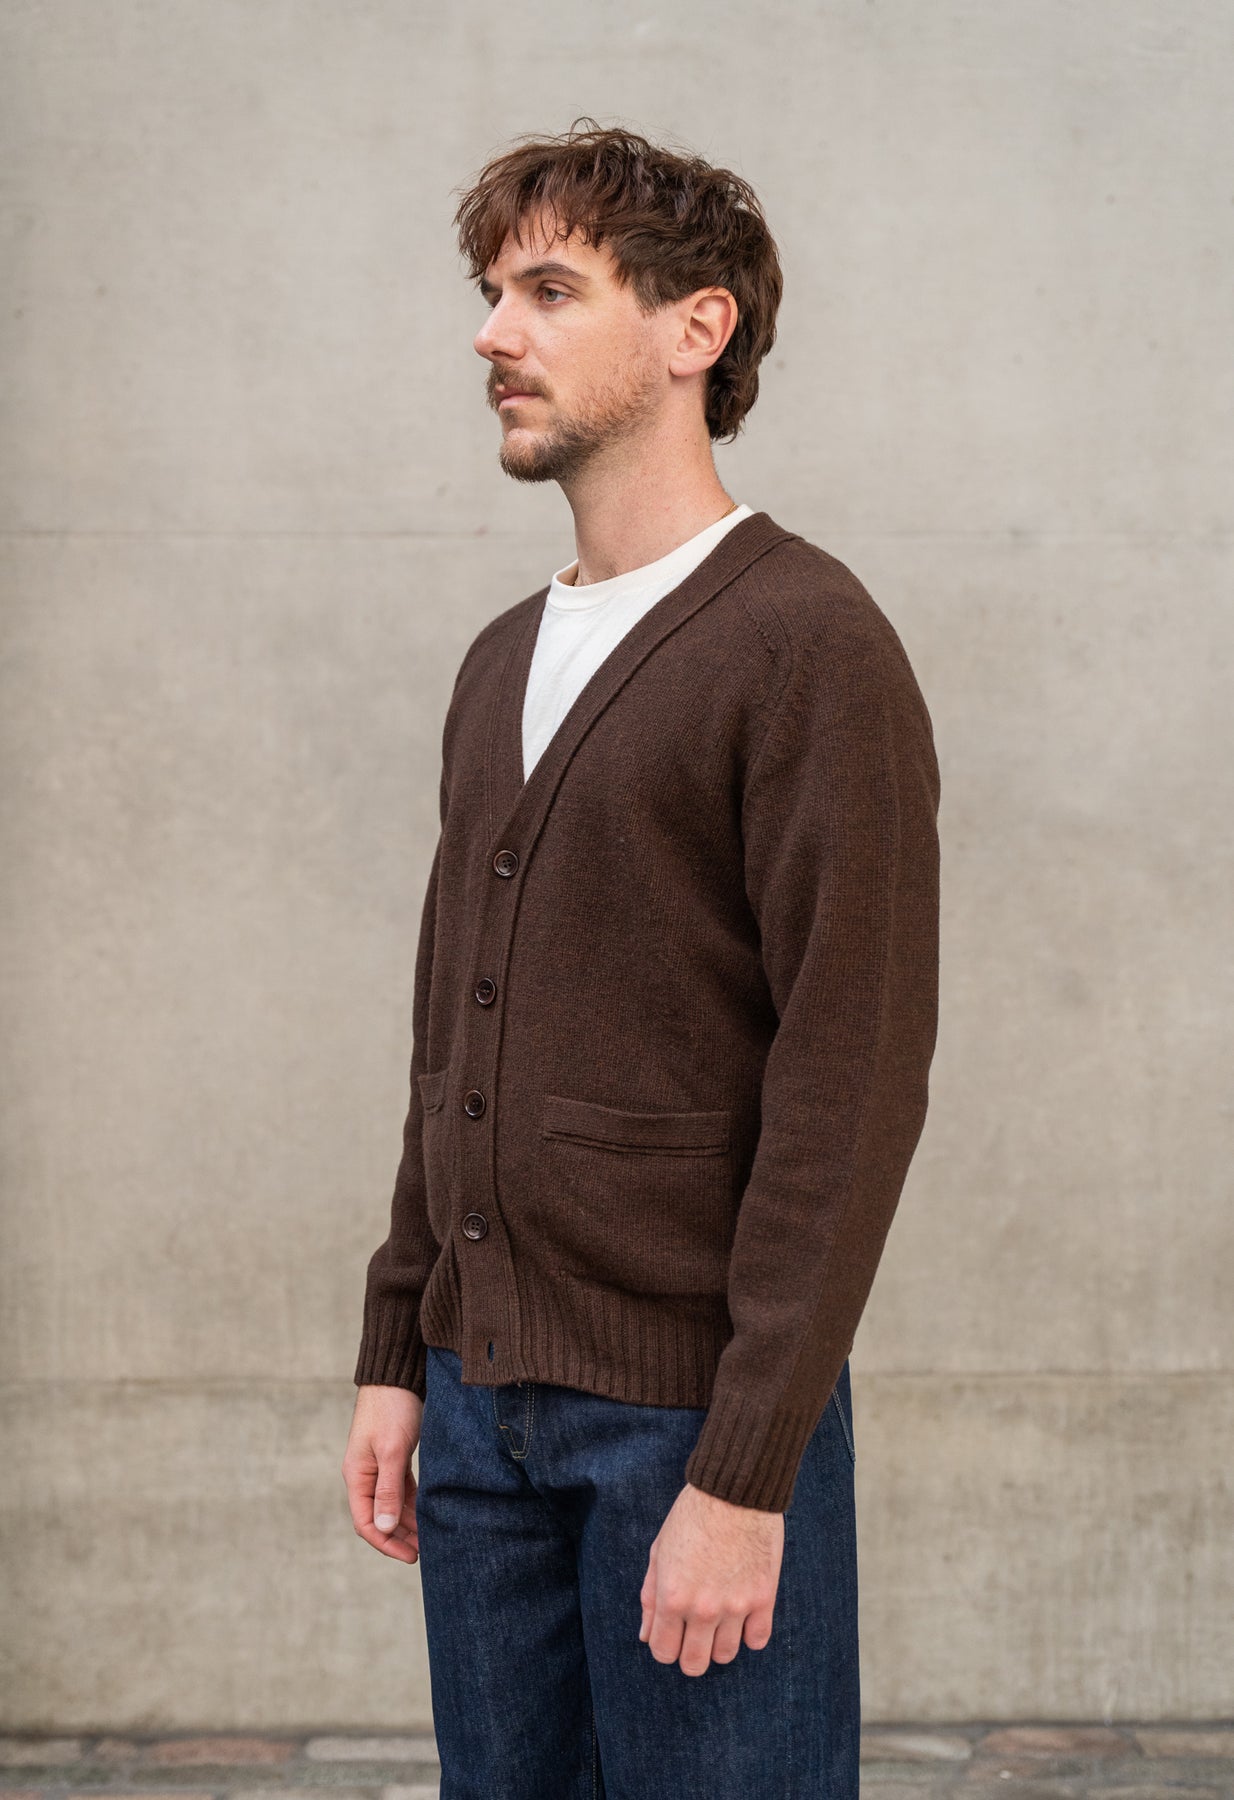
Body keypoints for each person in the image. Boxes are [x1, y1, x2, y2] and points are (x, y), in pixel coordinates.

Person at [342, 117, 940, 1799]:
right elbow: (449, 1038)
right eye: (490, 293)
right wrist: (398, 1350)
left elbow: (850, 1078)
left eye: (548, 291)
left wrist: (744, 1472)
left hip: (684, 1427)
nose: (492, 335)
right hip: (478, 1406)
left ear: (696, 328)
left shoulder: (806, 643)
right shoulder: (498, 660)